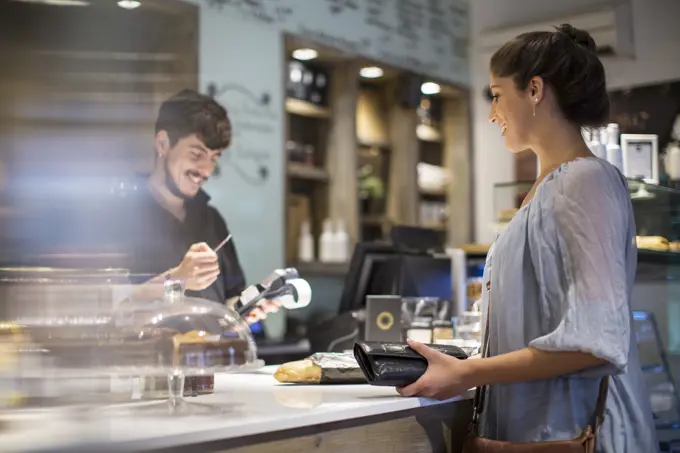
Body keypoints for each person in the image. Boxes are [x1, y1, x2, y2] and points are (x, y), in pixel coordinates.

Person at [397, 24, 658, 452]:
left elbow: (594, 342)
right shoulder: (552, 185)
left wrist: (468, 373)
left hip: (573, 430)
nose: (491, 112)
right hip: (542, 425)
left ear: (534, 90)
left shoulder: (585, 181)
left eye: (497, 94)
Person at [117, 89, 277, 323]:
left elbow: (228, 302)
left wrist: (248, 307)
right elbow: (111, 306)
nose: (206, 170)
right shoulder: (119, 216)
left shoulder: (212, 220)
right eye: (196, 153)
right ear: (163, 143)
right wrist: (177, 280)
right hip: (148, 357)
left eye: (214, 157)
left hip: (212, 357)